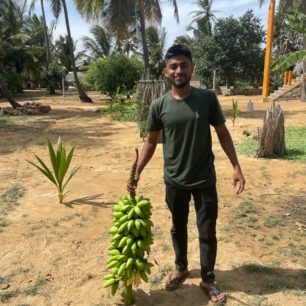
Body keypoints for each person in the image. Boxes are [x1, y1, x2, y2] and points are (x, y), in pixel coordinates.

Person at [128, 44, 245, 305]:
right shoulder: (159, 106)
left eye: (183, 65)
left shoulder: (207, 99)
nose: (178, 70)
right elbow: (150, 142)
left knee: (207, 231)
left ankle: (207, 277)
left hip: (204, 179)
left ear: (192, 68)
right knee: (177, 227)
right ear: (166, 71)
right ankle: (180, 268)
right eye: (173, 66)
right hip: (174, 180)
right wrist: (136, 172)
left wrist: (236, 167)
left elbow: (222, 133)